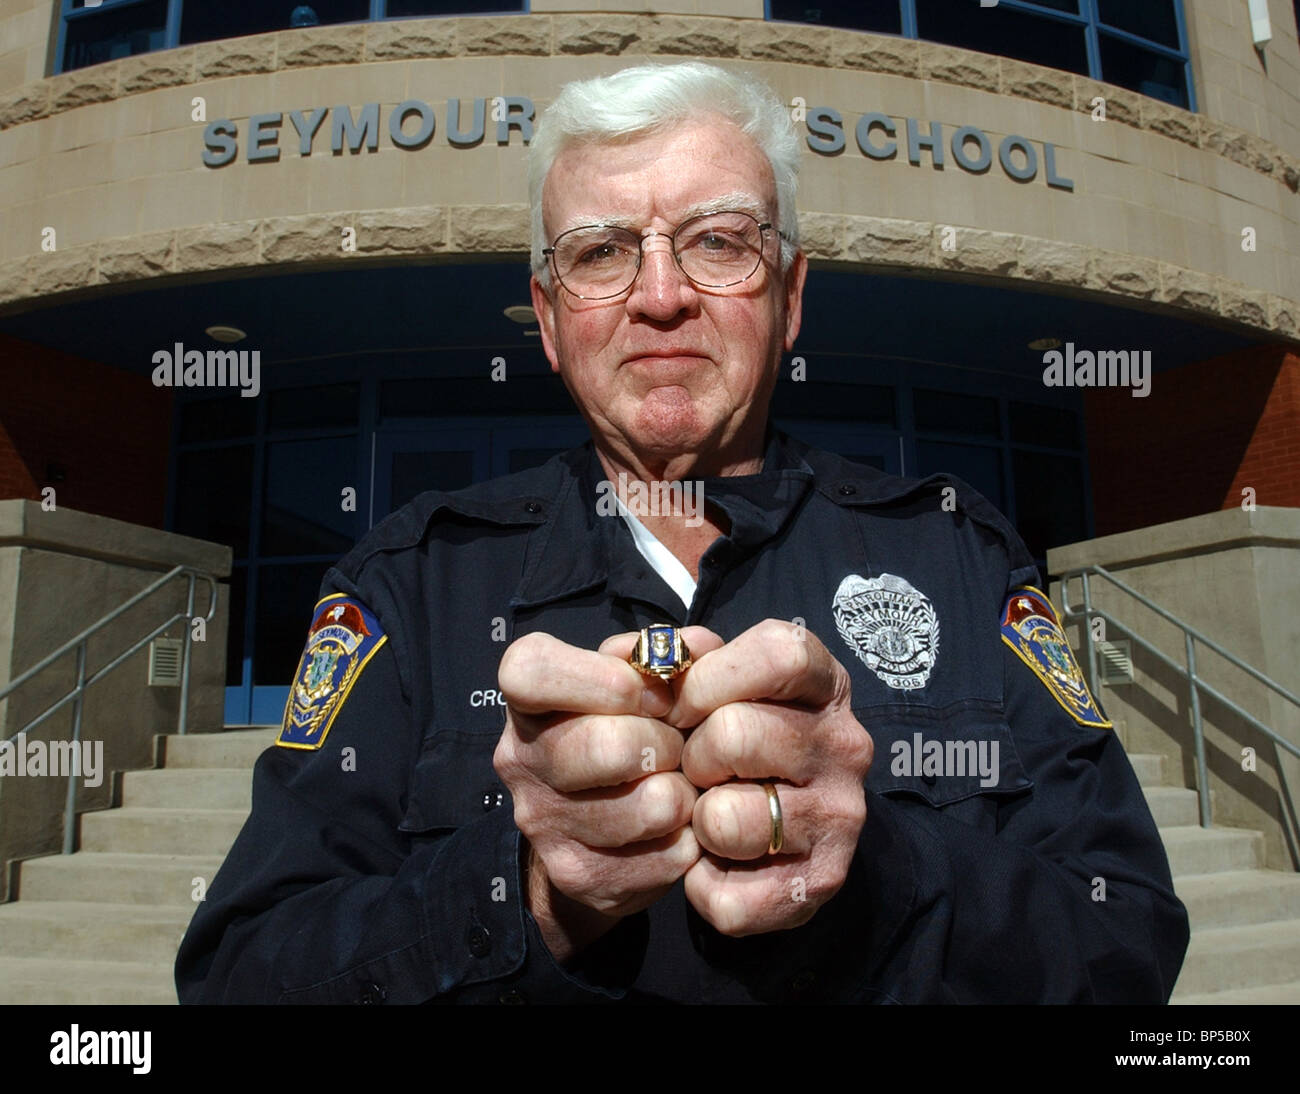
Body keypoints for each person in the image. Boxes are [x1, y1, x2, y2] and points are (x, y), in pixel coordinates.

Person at [175, 61, 1189, 1004]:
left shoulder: (958, 555)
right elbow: (239, 972)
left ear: (791, 297)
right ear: (547, 314)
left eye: (716, 241)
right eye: (602, 251)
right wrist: (524, 895)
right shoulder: (411, 579)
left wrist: (882, 866)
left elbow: (1127, 942)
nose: (661, 298)